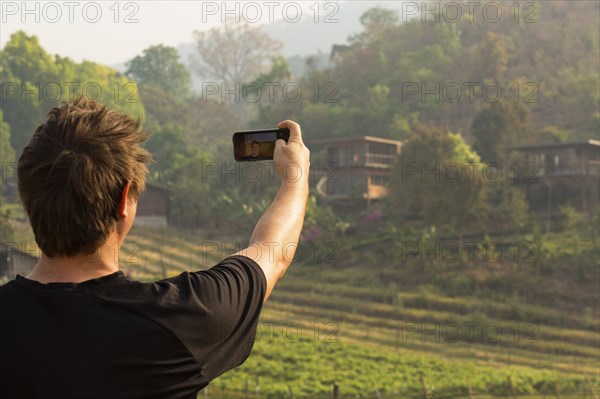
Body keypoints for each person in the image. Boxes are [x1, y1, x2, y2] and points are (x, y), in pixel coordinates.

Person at [0, 96, 310, 398]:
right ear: (124, 201)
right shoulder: (180, 320)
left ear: (26, 199)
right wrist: (295, 177)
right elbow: (272, 251)